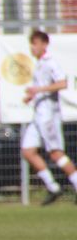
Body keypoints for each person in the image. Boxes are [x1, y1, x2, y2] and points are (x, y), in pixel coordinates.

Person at [22, 30, 77, 205]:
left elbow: (63, 83)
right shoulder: (39, 64)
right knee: (28, 151)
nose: (32, 47)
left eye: (35, 44)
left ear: (44, 44)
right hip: (38, 115)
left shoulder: (50, 62)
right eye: (31, 44)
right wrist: (32, 95)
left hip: (48, 116)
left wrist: (39, 90)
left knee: (56, 154)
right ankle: (53, 187)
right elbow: (42, 87)